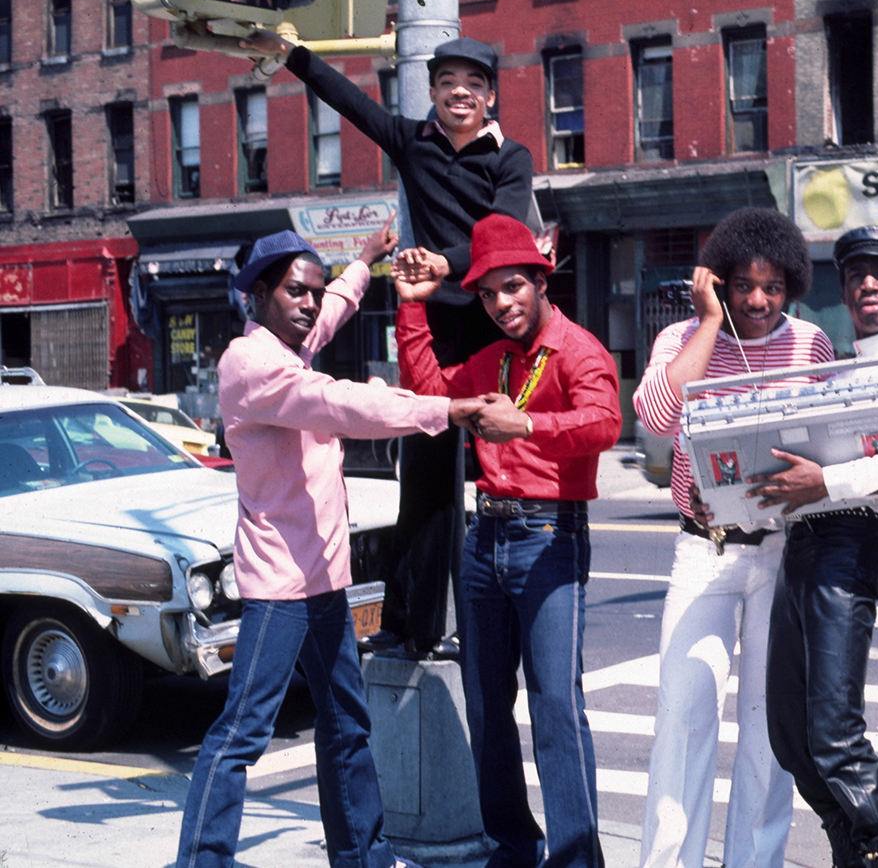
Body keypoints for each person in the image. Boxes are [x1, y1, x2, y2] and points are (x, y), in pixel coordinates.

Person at [177, 227, 485, 868]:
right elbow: (338, 403)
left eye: (313, 292)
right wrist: (443, 409)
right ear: (260, 294)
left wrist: (364, 260)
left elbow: (339, 307)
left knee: (347, 724)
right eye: (295, 291)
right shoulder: (250, 365)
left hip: (324, 580)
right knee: (242, 732)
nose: (310, 304)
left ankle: (362, 856)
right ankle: (202, 861)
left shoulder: (290, 353)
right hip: (279, 586)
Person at [241, 29, 536, 658]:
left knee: (499, 473)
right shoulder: (412, 141)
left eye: (475, 84)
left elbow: (505, 234)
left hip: (485, 323)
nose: (461, 93)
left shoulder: (511, 158)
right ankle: (410, 626)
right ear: (432, 92)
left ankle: (489, 626)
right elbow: (347, 100)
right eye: (449, 83)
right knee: (425, 478)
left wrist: (443, 262)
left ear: (490, 98)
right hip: (427, 326)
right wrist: (293, 51)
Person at [393, 213, 621, 868]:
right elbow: (431, 395)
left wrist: (528, 425)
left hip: (550, 536)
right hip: (484, 533)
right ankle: (511, 851)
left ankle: (576, 859)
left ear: (541, 281)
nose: (501, 304)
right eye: (489, 293)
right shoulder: (492, 360)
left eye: (513, 287)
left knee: (556, 708)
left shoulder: (578, 351)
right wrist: (413, 312)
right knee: (489, 708)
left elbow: (606, 423)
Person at [745, 225, 878, 868]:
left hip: (854, 541)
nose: (867, 283)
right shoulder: (839, 368)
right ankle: (854, 853)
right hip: (802, 545)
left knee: (834, 733)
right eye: (856, 275)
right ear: (843, 291)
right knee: (791, 735)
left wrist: (827, 482)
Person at [632, 208, 835, 868]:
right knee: (685, 718)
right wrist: (710, 324)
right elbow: (660, 418)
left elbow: (830, 441)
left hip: (781, 553)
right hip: (705, 547)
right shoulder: (682, 339)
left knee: (768, 731)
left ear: (792, 287)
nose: (757, 300)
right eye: (743, 285)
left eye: (772, 287)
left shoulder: (812, 344)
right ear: (717, 281)